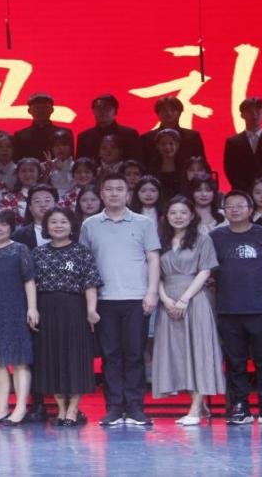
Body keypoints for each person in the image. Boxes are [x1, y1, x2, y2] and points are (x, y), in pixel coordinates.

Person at [79, 173, 160, 427]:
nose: (114, 193)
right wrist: (89, 303)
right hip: (105, 299)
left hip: (137, 298)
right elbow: (84, 263)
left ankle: (135, 407)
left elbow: (153, 258)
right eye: (109, 189)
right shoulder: (90, 225)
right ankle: (114, 407)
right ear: (101, 194)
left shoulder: (144, 223)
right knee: (110, 356)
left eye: (119, 189)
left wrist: (152, 292)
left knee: (135, 354)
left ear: (128, 194)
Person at [207, 190, 262, 425]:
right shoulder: (215, 236)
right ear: (223, 210)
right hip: (228, 308)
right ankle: (240, 406)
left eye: (240, 205)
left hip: (261, 307)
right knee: (235, 361)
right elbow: (209, 269)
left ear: (250, 210)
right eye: (229, 206)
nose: (234, 210)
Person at [151, 197, 225, 425]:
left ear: (192, 215)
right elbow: (154, 274)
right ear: (166, 216)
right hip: (168, 302)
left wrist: (184, 299)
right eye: (173, 212)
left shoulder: (202, 239)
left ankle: (194, 409)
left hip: (195, 299)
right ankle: (199, 405)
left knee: (198, 351)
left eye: (183, 212)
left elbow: (205, 271)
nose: (178, 217)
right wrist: (165, 299)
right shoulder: (159, 240)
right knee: (179, 354)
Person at [30, 207, 101, 427]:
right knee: (52, 359)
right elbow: (31, 284)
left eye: (63, 222)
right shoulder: (38, 253)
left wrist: (91, 310)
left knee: (75, 359)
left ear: (72, 226)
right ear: (46, 226)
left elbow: (90, 283)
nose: (58, 226)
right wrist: (32, 309)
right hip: (46, 309)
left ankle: (73, 409)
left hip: (75, 309)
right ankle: (61, 408)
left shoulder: (81, 252)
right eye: (53, 222)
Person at [0, 209, 37, 426]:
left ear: (11, 227)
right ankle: (2, 409)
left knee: (20, 361)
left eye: (3, 224)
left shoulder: (20, 249)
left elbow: (29, 280)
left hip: (16, 310)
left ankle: (20, 408)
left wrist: (32, 308)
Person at [222, 97, 262, 193]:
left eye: (258, 112)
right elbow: (230, 170)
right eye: (250, 112)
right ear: (242, 115)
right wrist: (243, 189)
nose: (254, 116)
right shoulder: (233, 142)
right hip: (242, 192)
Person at [138, 97, 206, 172]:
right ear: (158, 113)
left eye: (173, 110)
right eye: (164, 110)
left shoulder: (192, 137)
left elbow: (202, 164)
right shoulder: (146, 138)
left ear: (180, 113)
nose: (168, 113)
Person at [76, 94, 141, 163]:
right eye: (99, 108)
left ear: (116, 111)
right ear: (93, 111)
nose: (103, 111)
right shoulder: (84, 137)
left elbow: (137, 164)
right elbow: (79, 165)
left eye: (107, 108)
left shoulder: (129, 135)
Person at [13, 93, 74, 161]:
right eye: (37, 107)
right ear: (29, 111)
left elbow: (71, 161)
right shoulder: (20, 135)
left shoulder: (64, 133)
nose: (41, 110)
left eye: (45, 107)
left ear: (52, 110)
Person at [13, 185, 59, 251]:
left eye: (47, 200)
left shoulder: (68, 232)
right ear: (30, 207)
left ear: (56, 204)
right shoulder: (18, 236)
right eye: (37, 201)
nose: (43, 205)